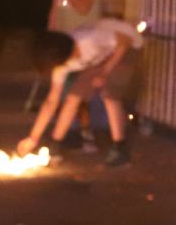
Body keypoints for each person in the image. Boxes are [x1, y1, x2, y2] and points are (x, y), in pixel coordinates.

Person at [18, 20, 143, 166]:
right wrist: (33, 137)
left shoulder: (90, 39)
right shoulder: (61, 64)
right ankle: (55, 144)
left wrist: (105, 72)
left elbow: (124, 41)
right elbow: (51, 101)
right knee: (73, 97)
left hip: (128, 46)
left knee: (108, 93)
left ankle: (119, 148)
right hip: (100, 56)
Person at [47, 0, 104, 153]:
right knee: (61, 89)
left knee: (80, 90)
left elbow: (83, 7)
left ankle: (86, 133)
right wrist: (50, 34)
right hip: (63, 39)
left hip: (84, 39)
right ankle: (66, 133)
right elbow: (55, 6)